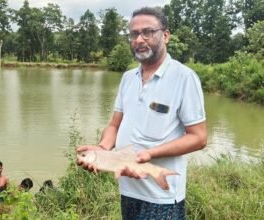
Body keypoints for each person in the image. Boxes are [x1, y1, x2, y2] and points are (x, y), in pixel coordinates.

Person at [76, 7, 207, 220]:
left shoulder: (184, 78)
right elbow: (114, 125)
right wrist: (102, 150)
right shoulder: (128, 78)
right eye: (134, 34)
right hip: (128, 190)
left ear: (165, 35)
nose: (139, 39)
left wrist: (149, 154)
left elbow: (199, 138)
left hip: (161, 196)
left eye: (147, 32)